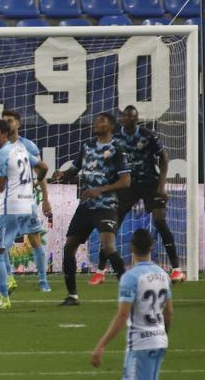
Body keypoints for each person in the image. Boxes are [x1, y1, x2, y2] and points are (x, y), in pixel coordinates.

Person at [95, 106, 184, 285]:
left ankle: (176, 269)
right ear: (121, 120)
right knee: (111, 223)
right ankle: (100, 271)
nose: (127, 120)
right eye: (124, 117)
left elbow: (163, 158)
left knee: (160, 221)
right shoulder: (115, 138)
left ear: (136, 120)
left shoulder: (148, 135)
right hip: (128, 185)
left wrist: (161, 186)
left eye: (131, 118)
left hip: (150, 183)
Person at [52, 112, 131, 306]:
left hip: (106, 205)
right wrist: (63, 174)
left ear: (111, 126)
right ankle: (72, 296)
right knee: (69, 246)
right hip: (86, 206)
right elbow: (75, 170)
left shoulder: (117, 149)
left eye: (101, 121)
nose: (96, 123)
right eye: (96, 121)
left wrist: (100, 190)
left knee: (108, 246)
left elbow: (126, 181)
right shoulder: (87, 147)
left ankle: (130, 292)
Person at [0, 109, 53, 294]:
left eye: (10, 121)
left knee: (27, 240)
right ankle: (11, 278)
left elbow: (40, 173)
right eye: (5, 121)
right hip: (19, 201)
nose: (8, 124)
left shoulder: (27, 145)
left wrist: (44, 198)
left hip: (16, 202)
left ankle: (42, 281)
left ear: (18, 124)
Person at [90, 229, 173, 379]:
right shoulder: (163, 275)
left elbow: (122, 315)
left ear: (131, 248)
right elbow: (169, 312)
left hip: (141, 343)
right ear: (152, 247)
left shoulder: (131, 277)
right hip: (160, 341)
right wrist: (162, 335)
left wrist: (101, 345)